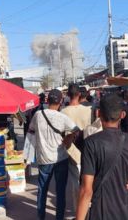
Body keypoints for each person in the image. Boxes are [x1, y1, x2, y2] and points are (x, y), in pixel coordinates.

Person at [30, 89, 79, 220]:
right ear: (61, 101)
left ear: (47, 100)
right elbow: (77, 130)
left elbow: (31, 131)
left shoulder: (38, 115)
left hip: (44, 159)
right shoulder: (62, 117)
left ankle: (41, 217)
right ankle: (59, 218)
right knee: (60, 192)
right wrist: (69, 138)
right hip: (60, 158)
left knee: (42, 190)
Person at [60, 84, 92, 217]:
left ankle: (78, 212)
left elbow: (62, 134)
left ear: (68, 95)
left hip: (71, 151)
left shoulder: (63, 112)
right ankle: (89, 209)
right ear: (79, 94)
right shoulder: (89, 110)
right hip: (88, 150)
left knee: (75, 183)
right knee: (88, 182)